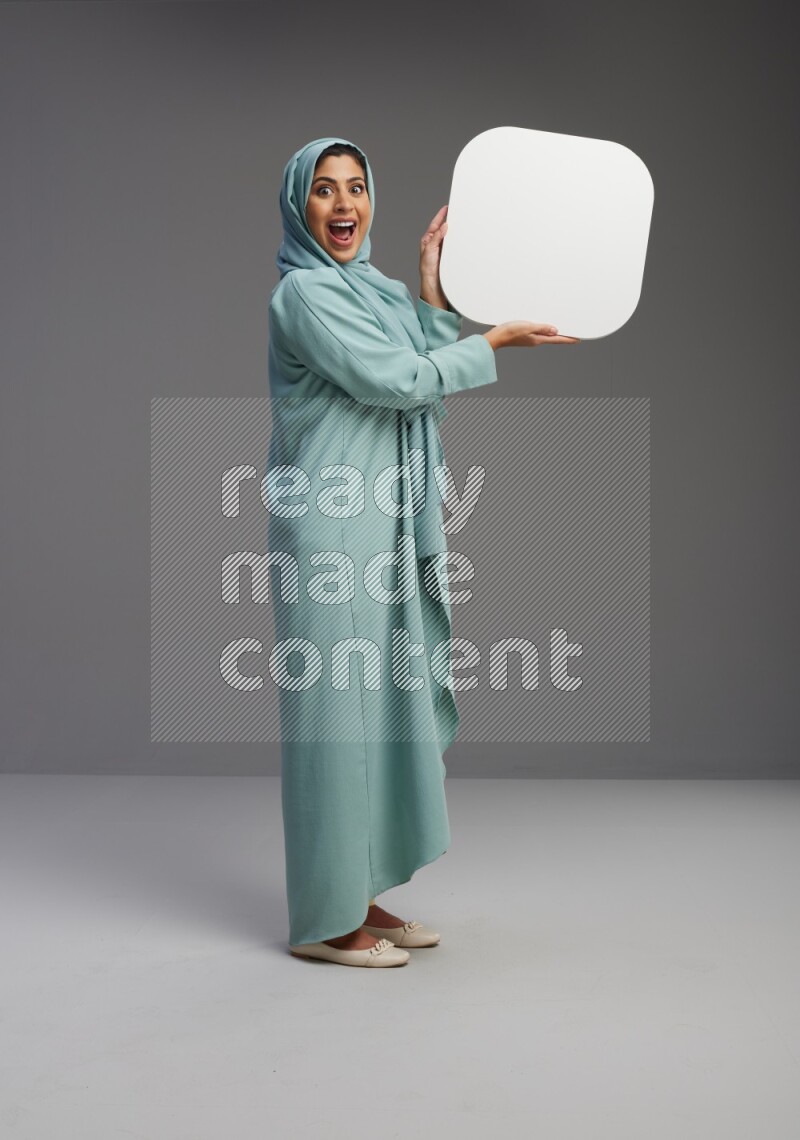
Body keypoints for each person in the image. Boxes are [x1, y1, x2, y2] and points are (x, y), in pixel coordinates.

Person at [267, 136, 579, 968]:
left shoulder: (372, 288)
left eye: (357, 188)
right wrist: (497, 341)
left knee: (377, 717)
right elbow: (396, 382)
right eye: (325, 191)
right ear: (300, 205)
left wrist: (434, 288)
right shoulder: (303, 294)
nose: (343, 206)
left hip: (387, 523)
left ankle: (355, 895)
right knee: (336, 723)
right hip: (333, 528)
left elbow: (422, 373)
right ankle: (324, 924)